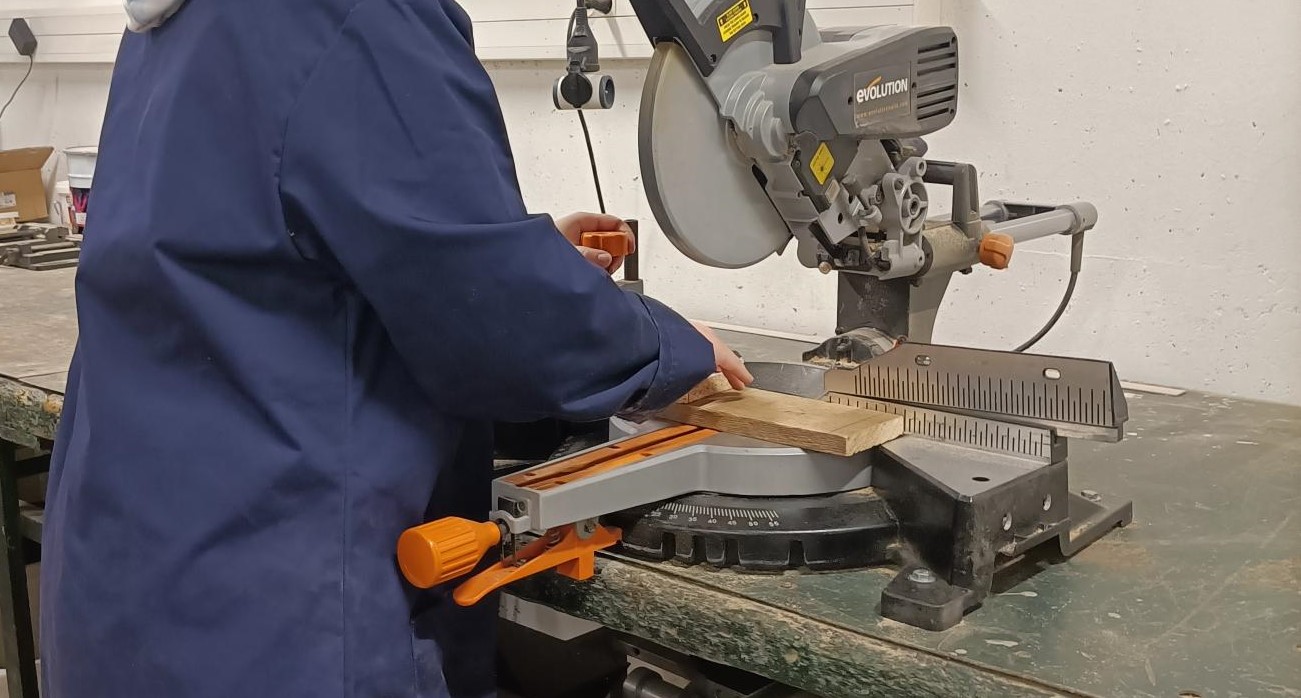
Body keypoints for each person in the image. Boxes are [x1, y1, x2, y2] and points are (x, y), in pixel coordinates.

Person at [41, 0, 753, 696]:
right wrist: (664, 345)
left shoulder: (181, 20)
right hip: (280, 610)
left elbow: (263, 235)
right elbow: (501, 328)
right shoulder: (356, 13)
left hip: (135, 576)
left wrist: (519, 257)